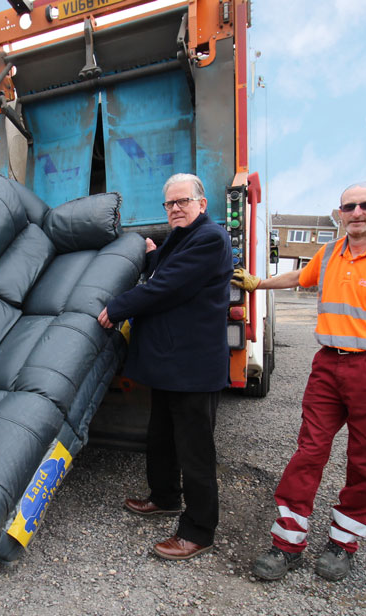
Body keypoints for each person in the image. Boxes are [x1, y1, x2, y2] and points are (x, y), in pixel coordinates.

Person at [235, 181, 366, 582]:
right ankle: (288, 542)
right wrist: (257, 283)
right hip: (327, 364)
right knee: (309, 452)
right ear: (340, 213)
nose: (357, 212)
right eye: (348, 206)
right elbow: (300, 277)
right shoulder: (332, 252)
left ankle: (344, 543)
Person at [98, 173, 233, 561]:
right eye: (170, 204)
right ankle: (164, 498)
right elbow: (164, 265)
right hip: (170, 365)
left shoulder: (211, 238)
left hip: (193, 367)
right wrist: (150, 251)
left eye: (183, 202)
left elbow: (168, 284)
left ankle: (199, 531)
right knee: (160, 437)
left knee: (195, 452)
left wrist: (118, 307)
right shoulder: (183, 238)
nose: (175, 208)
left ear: (202, 204)